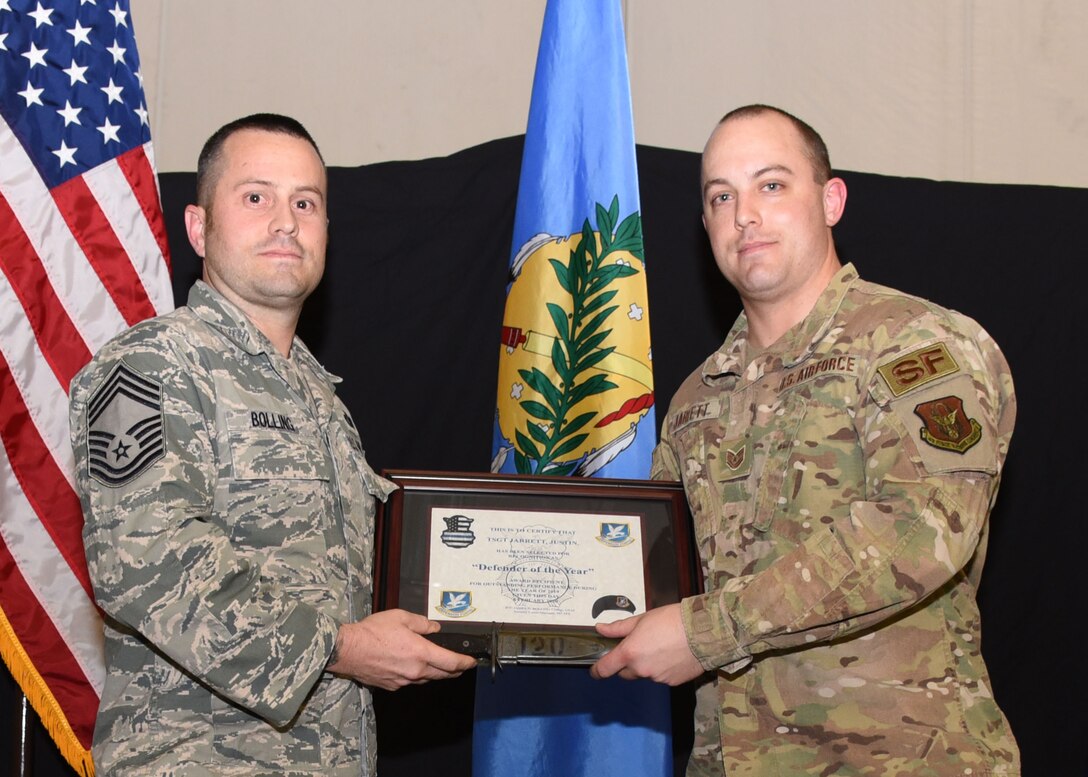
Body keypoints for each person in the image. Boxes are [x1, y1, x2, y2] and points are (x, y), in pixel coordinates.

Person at [590, 105, 1020, 775]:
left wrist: (706, 633)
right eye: (721, 196)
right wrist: (501, 609)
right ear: (705, 225)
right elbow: (646, 569)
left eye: (771, 184)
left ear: (831, 199)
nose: (744, 215)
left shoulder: (916, 345)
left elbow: (922, 529)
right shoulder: (694, 402)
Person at [68, 113, 476, 775]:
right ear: (199, 227)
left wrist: (485, 610)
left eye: (305, 202)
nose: (285, 221)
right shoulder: (151, 366)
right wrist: (342, 648)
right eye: (256, 197)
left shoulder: (321, 402)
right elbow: (147, 563)